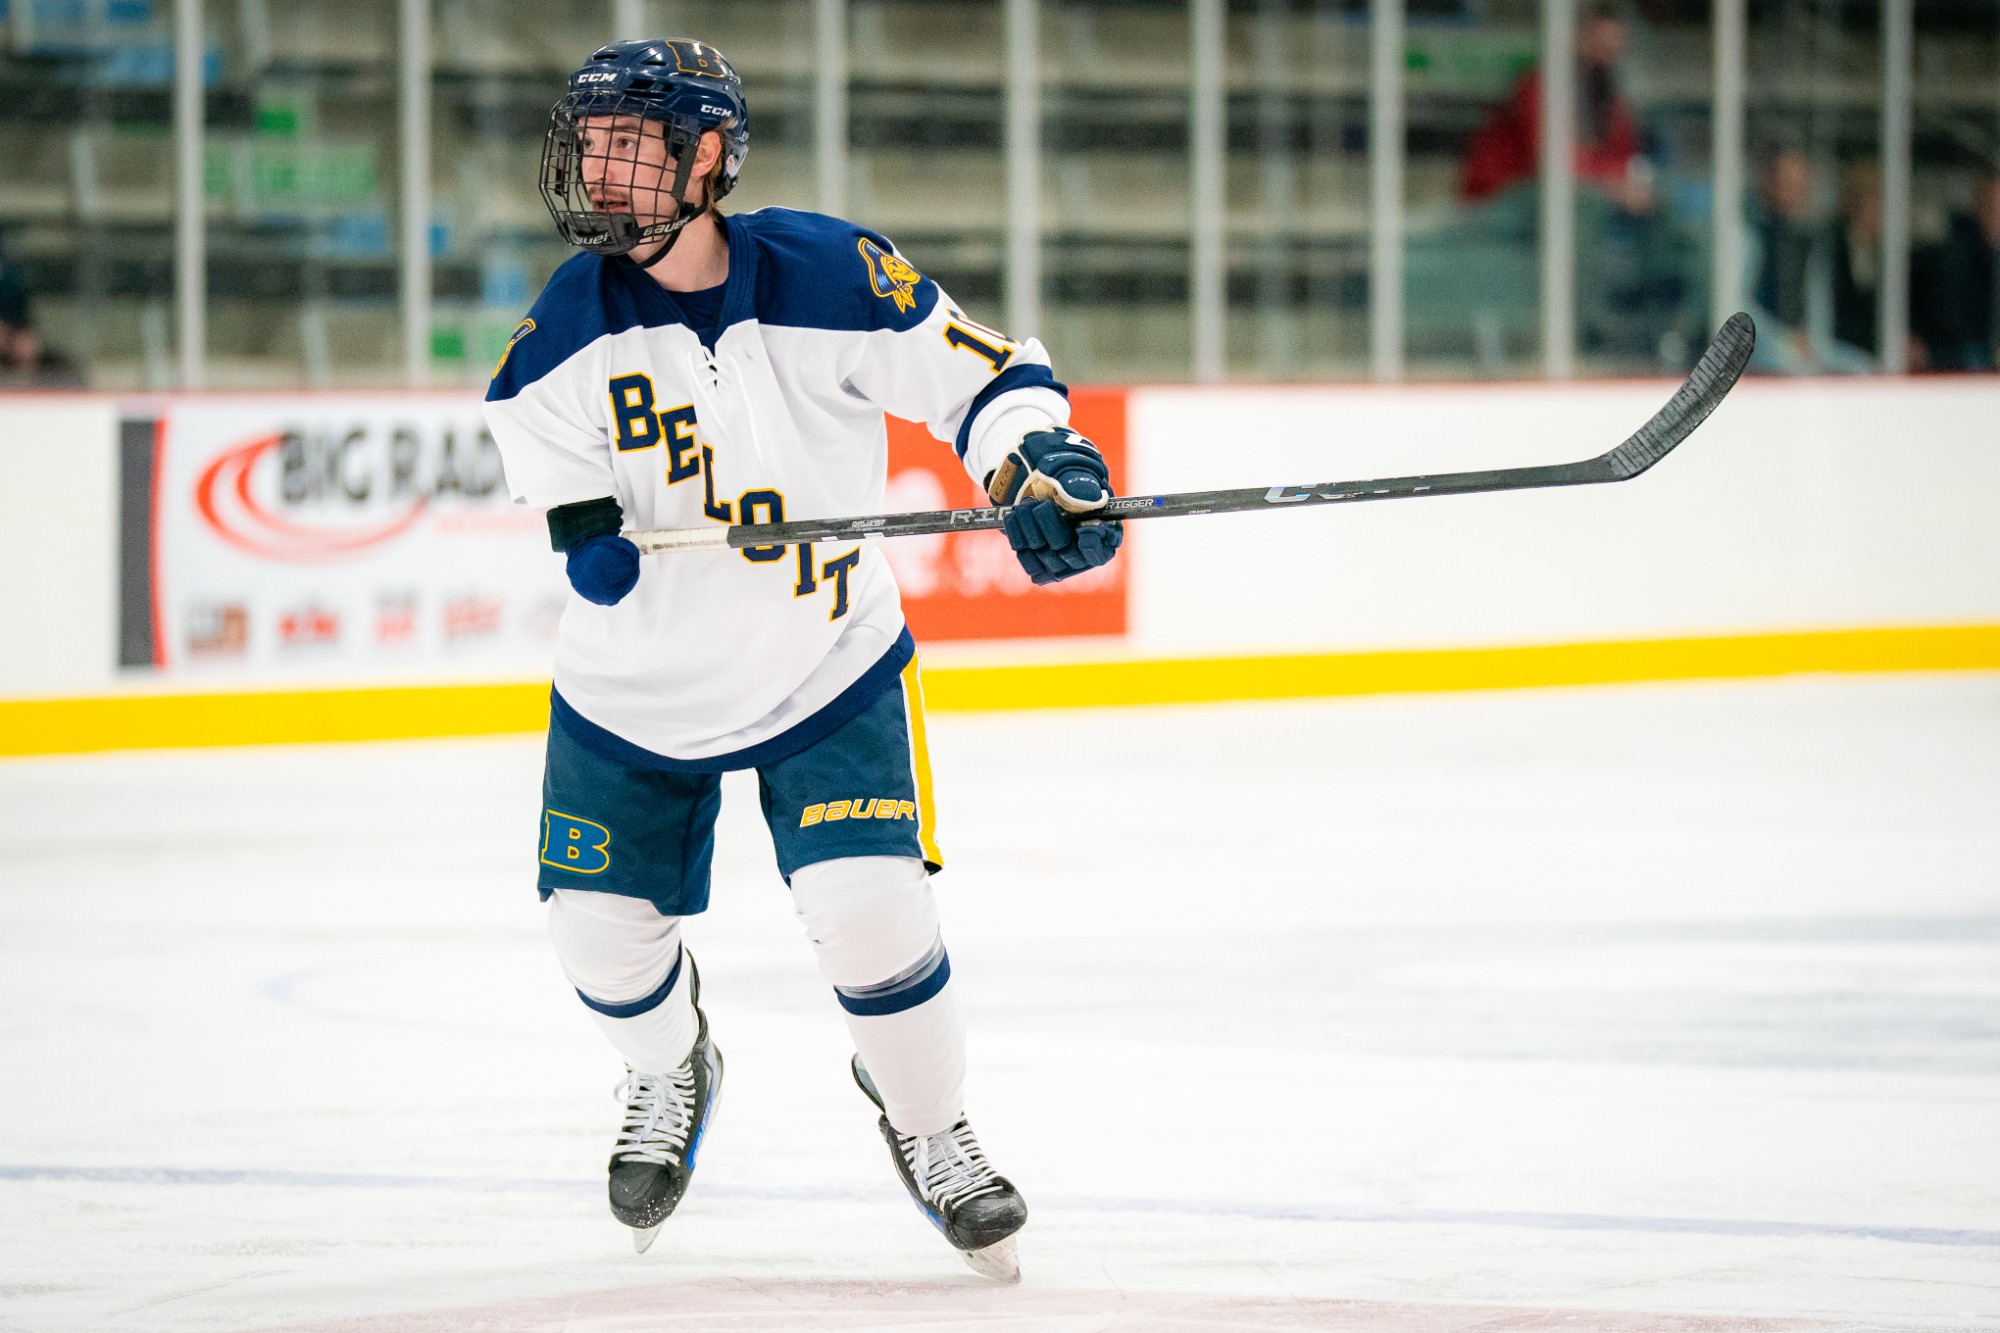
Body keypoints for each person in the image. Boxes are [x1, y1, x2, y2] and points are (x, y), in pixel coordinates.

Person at [480, 38, 1120, 1283]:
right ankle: (672, 1068)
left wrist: (1032, 464)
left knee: (872, 916)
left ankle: (930, 1129)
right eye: (589, 142)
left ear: (708, 157)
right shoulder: (567, 314)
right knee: (598, 940)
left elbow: (979, 378)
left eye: (629, 143)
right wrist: (578, 527)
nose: (596, 170)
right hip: (631, 696)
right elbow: (525, 423)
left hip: (827, 665)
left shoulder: (826, 270)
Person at [1457, 4, 1648, 213]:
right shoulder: (1539, 88)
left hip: (1565, 209)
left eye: (1612, 53)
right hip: (1499, 208)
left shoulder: (1610, 100)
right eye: (1599, 48)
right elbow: (1553, 162)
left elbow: (1627, 159)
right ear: (1575, 39)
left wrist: (1622, 178)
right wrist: (1613, 176)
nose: (1603, 62)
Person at [1911, 174, 2000, 372]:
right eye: (1991, 207)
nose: (1995, 214)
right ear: (1977, 205)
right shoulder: (1951, 255)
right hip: (1955, 356)